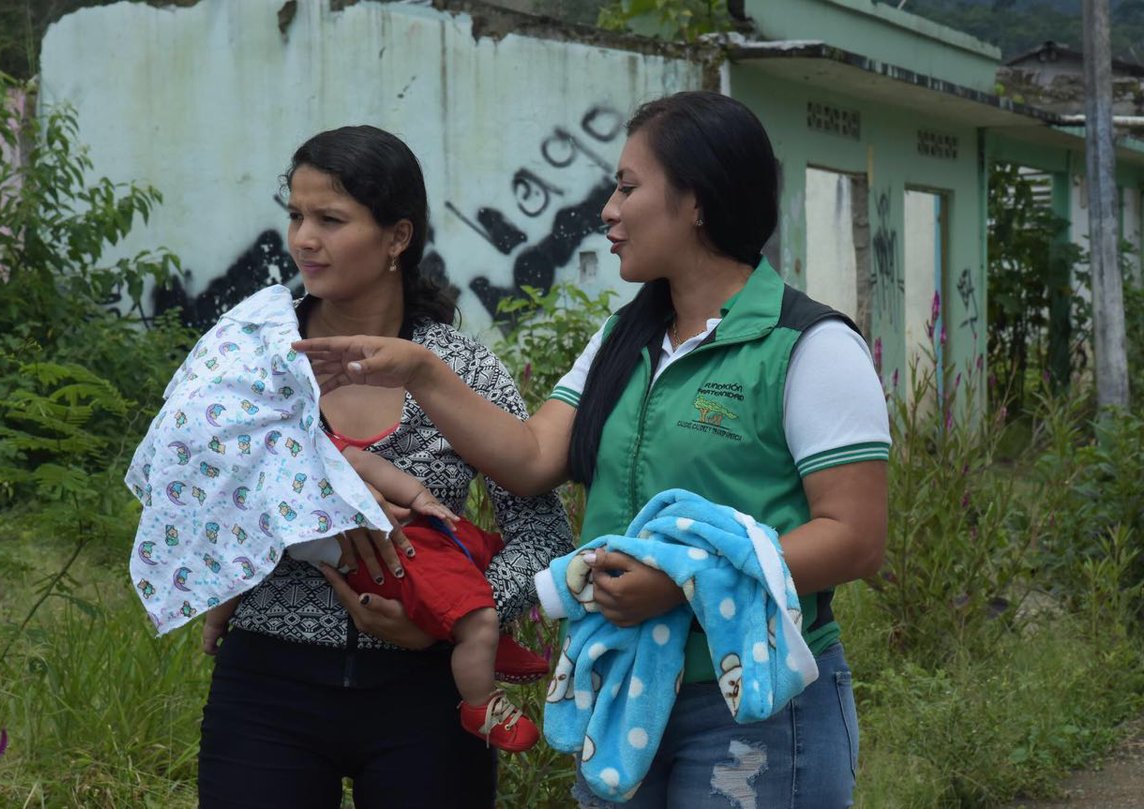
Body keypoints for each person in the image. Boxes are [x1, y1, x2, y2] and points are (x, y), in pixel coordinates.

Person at [295, 91, 890, 808]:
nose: (607, 209)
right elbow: (527, 457)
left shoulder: (809, 345)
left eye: (629, 187)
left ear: (696, 202)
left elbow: (855, 539)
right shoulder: (626, 337)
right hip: (623, 690)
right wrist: (421, 370)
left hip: (756, 704)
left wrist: (685, 583)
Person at [196, 125, 573, 809]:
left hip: (429, 692)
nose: (303, 239)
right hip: (268, 687)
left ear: (397, 237)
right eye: (296, 215)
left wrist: (449, 612)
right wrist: (304, 516)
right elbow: (197, 503)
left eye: (330, 219)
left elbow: (545, 537)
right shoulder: (252, 356)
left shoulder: (459, 367)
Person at [200, 442, 542, 753]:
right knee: (472, 613)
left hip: (410, 540)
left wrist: (418, 496)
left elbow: (359, 461)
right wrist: (216, 618)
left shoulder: (306, 444)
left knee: (478, 580)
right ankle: (480, 677)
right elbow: (242, 561)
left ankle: (482, 673)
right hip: (390, 564)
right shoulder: (259, 495)